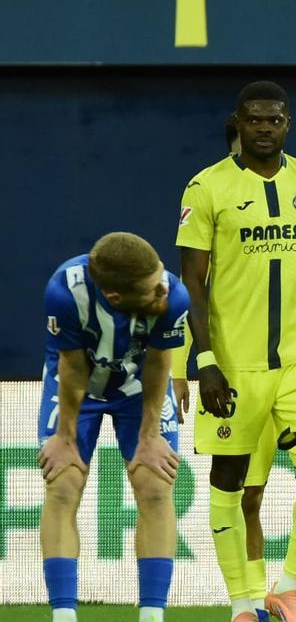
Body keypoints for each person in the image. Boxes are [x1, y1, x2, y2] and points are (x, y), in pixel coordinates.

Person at [176, 81, 296, 622]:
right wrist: (204, 361)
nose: (264, 127)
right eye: (254, 119)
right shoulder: (205, 187)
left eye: (273, 119)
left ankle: (290, 586)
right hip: (234, 364)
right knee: (232, 481)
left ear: (287, 124)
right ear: (239, 122)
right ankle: (242, 603)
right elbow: (194, 281)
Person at [38, 232, 189, 622]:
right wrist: (65, 438)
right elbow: (71, 370)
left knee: (155, 485)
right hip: (78, 385)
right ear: (117, 298)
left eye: (161, 278)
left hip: (138, 385)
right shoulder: (64, 293)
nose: (164, 291)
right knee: (63, 482)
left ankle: (152, 616)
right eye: (153, 289)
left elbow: (158, 365)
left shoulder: (174, 295)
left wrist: (150, 436)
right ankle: (64, 616)